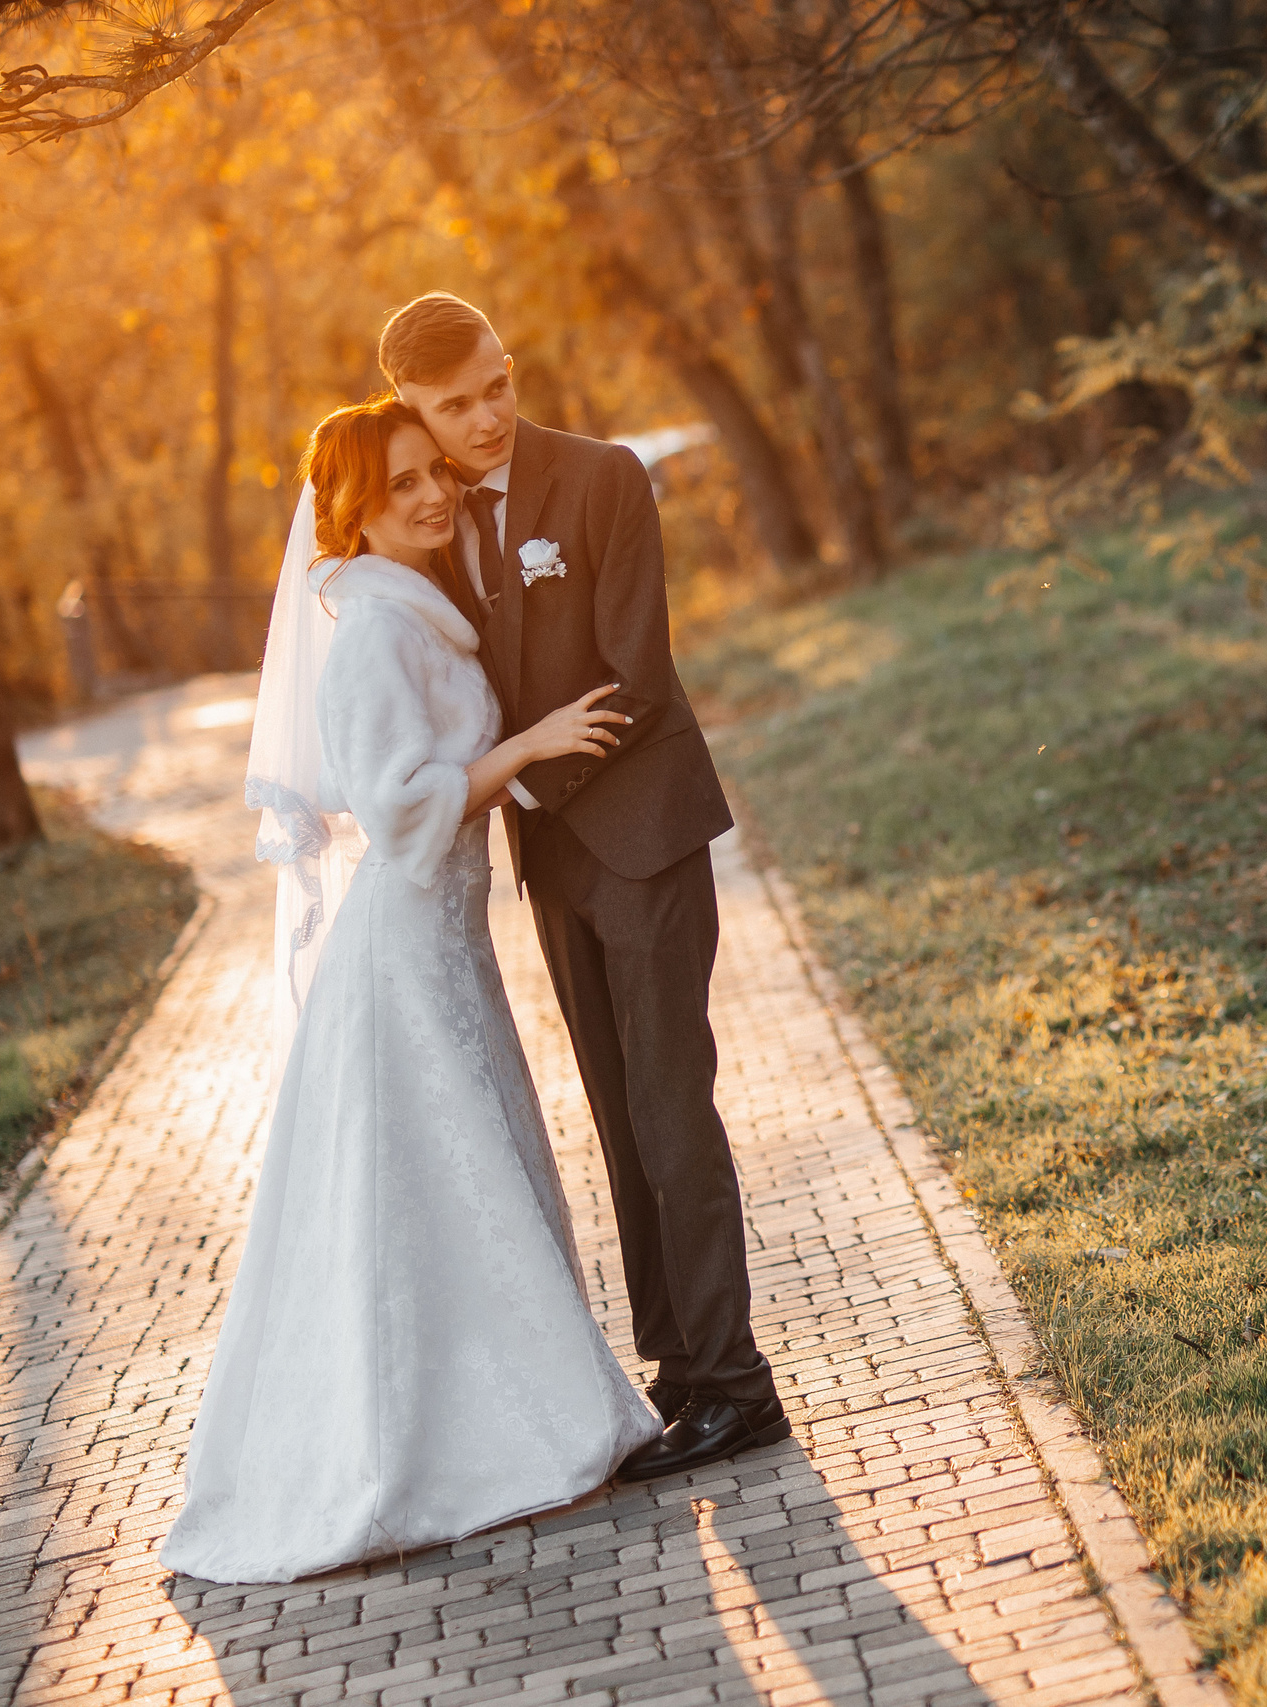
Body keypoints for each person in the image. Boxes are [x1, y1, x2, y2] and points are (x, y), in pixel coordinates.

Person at [162, 400, 656, 1585]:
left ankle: (502, 1410)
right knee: (431, 1181)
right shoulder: (377, 629)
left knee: (467, 1174)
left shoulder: (414, 609)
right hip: (401, 952)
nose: (433, 495)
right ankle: (427, 1450)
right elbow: (392, 811)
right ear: (352, 511)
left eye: (434, 472)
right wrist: (527, 747)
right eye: (399, 486)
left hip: (446, 946)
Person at [378, 292, 785, 1478]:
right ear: (412, 410)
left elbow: (635, 674)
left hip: (643, 834)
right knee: (616, 1114)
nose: (487, 417)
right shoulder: (432, 521)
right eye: (455, 406)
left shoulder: (603, 477)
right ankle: (679, 1369)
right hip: (553, 860)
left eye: (497, 386)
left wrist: (517, 777)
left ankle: (738, 1385)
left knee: (671, 1108)